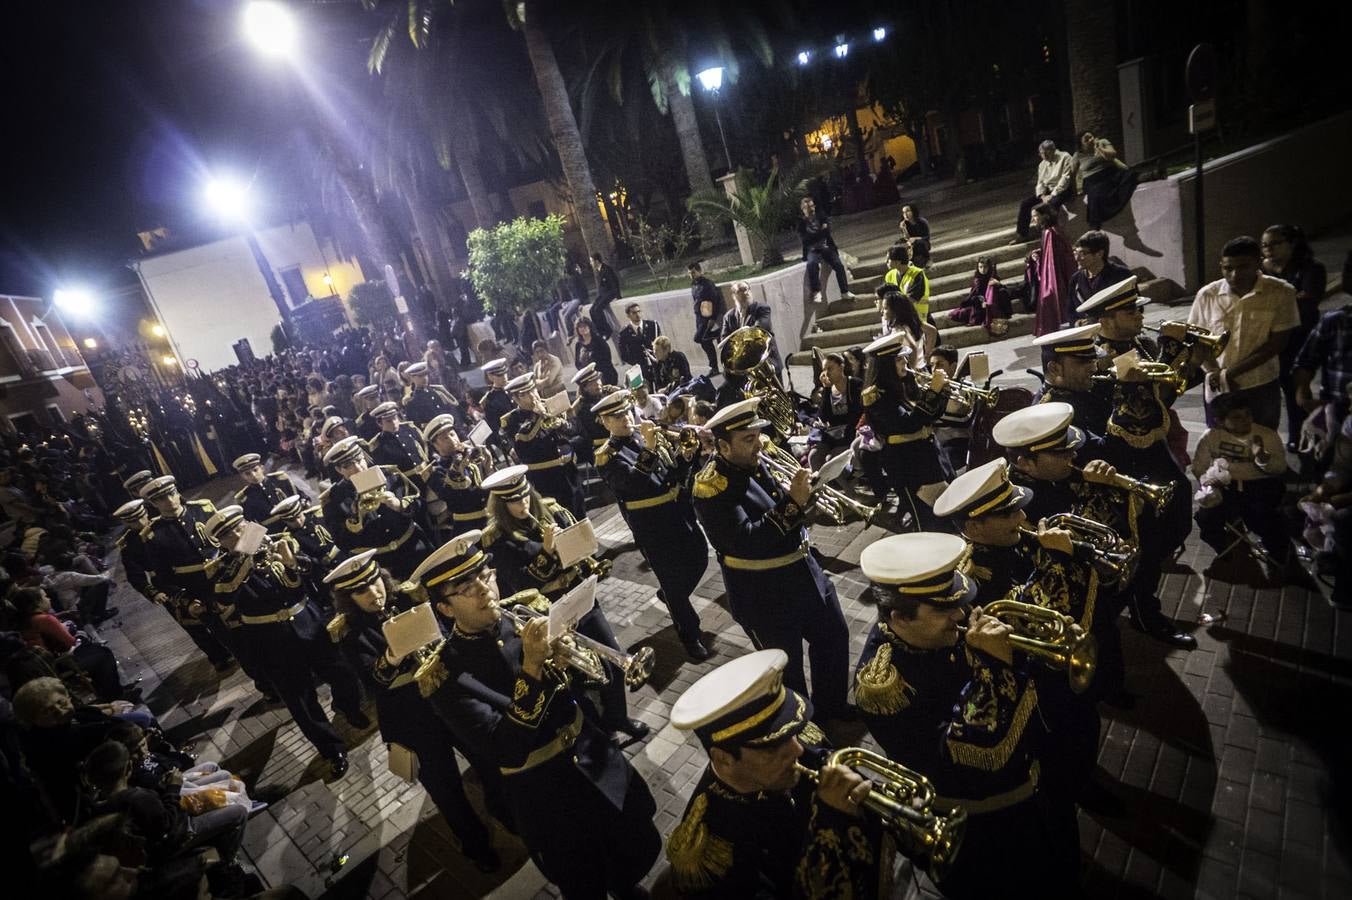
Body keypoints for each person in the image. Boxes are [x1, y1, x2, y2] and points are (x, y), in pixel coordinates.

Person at [412, 532, 661, 899]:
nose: (484, 590)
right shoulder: (445, 677)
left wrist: (573, 658)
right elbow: (505, 749)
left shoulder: (526, 610)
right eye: (466, 587)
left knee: (631, 843)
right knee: (582, 881)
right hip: (544, 795)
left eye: (486, 575)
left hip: (593, 754)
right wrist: (532, 667)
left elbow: (596, 677)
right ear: (445, 609)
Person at [852, 532, 1080, 900]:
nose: (959, 616)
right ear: (899, 618)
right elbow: (957, 756)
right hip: (983, 822)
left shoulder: (940, 631)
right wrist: (995, 667)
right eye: (942, 610)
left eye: (957, 604)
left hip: (1032, 783)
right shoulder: (883, 685)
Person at [323, 551, 500, 870]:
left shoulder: (408, 597)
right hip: (410, 718)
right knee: (446, 788)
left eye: (375, 582)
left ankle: (505, 811)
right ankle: (475, 844)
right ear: (349, 598)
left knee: (487, 757)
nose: (374, 592)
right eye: (362, 591)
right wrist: (392, 655)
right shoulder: (350, 632)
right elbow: (371, 680)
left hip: (448, 698)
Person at [667, 649, 882, 899]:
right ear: (724, 760)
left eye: (791, 735)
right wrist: (829, 825)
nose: (798, 748)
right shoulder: (713, 852)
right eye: (771, 747)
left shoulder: (795, 744)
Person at [692, 398, 853, 723]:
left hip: (806, 576)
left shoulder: (753, 461)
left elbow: (779, 507)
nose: (759, 445)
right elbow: (748, 541)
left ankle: (832, 707)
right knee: (787, 672)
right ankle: (805, 730)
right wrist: (793, 503)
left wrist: (804, 493)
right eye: (748, 439)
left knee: (834, 638)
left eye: (757, 435)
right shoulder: (711, 489)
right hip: (765, 596)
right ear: (723, 445)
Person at [206, 506, 366, 775]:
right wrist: (246, 558)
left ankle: (348, 706)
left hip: (307, 621)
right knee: (301, 700)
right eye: (228, 535)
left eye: (240, 526)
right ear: (219, 542)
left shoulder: (276, 542)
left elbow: (304, 576)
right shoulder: (219, 567)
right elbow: (222, 597)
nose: (237, 534)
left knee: (341, 671)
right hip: (269, 639)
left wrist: (291, 563)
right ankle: (331, 748)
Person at [593, 390, 711, 660]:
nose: (625, 418)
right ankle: (690, 635)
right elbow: (633, 484)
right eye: (617, 416)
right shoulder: (606, 456)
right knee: (672, 582)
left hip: (677, 512)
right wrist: (648, 447)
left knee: (699, 558)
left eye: (626, 411)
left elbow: (672, 474)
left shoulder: (642, 436)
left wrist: (687, 456)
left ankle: (672, 596)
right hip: (651, 526)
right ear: (605, 422)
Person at [1188, 235, 1300, 429]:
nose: (1234, 275)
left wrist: (1231, 373)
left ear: (1258, 263)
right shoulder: (1208, 295)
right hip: (1217, 386)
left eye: (1243, 267)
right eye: (1228, 268)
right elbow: (1197, 339)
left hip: (1259, 384)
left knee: (1262, 440)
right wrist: (1216, 373)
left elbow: (1278, 342)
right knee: (1220, 445)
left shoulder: (1281, 292)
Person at [1192, 394, 1291, 577]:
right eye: (1237, 417)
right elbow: (1199, 466)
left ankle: (1279, 553)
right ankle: (1223, 545)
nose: (1245, 420)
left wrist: (1262, 457)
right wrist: (1207, 479)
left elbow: (1280, 468)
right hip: (1226, 487)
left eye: (1247, 414)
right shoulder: (1211, 436)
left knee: (1263, 518)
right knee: (1205, 517)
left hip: (1260, 485)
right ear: (1220, 421)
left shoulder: (1265, 434)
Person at [860, 331, 950, 531]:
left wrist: (943, 392)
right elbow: (908, 424)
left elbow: (929, 417)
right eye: (899, 359)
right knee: (925, 518)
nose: (905, 364)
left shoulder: (905, 384)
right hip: (907, 463)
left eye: (905, 358)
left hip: (930, 454)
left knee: (947, 508)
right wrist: (933, 392)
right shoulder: (876, 396)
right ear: (885, 365)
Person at [320, 436, 430, 580]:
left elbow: (421, 506)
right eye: (348, 466)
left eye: (359, 460)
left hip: (414, 549)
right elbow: (342, 542)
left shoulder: (389, 473)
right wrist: (356, 518)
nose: (358, 468)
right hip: (380, 565)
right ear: (339, 470)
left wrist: (399, 505)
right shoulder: (334, 498)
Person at [1263, 224, 1329, 448]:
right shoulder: (1262, 270)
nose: (1268, 249)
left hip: (1301, 337)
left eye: (1275, 243)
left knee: (1295, 387)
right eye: (1264, 245)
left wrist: (1276, 304)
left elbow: (1308, 303)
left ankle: (1300, 436)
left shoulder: (1311, 269)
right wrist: (1291, 298)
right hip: (1272, 336)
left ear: (1291, 244)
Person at [500, 372, 586, 519]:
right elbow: (522, 450)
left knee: (580, 510)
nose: (533, 396)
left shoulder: (552, 404)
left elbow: (575, 428)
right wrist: (537, 418)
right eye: (525, 394)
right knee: (560, 517)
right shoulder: (512, 420)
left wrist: (562, 424)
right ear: (514, 398)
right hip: (545, 476)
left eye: (533, 390)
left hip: (569, 469)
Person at [421, 415, 491, 537]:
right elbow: (453, 497)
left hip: (492, 513)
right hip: (469, 525)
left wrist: (487, 464)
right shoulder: (436, 472)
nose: (452, 440)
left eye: (452, 434)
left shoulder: (471, 454)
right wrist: (458, 465)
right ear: (436, 446)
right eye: (445, 438)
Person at [808, 352, 863, 470]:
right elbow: (823, 415)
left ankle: (847, 487)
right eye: (824, 370)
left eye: (830, 368)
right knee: (814, 457)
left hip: (850, 432)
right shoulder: (828, 389)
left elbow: (857, 412)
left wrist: (840, 424)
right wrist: (827, 390)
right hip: (832, 435)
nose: (827, 373)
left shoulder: (854, 384)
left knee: (831, 461)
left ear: (841, 367)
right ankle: (821, 487)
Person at [1013, 140, 1075, 242]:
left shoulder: (1065, 157)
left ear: (1053, 150)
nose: (1044, 155)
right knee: (1025, 204)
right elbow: (1040, 182)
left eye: (1047, 152)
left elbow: (1065, 179)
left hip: (1062, 190)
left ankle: (1051, 236)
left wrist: (1053, 195)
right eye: (1042, 153)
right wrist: (1042, 195)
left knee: (1049, 206)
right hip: (1047, 191)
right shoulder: (1042, 164)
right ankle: (1022, 234)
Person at [797, 196, 855, 304]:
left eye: (812, 206)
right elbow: (805, 239)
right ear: (803, 209)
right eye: (807, 207)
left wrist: (814, 235)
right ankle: (816, 291)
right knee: (811, 264)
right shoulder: (801, 224)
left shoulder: (821, 216)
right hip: (812, 249)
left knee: (838, 265)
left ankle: (844, 291)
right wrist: (819, 232)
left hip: (826, 247)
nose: (811, 209)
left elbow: (826, 232)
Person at [1075, 131, 1138, 230]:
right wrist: (1076, 188)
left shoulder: (1102, 142)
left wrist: (1099, 148)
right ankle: (1094, 225)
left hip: (1109, 173)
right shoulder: (1078, 155)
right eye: (1086, 140)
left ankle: (1154, 174)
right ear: (1081, 144)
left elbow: (1112, 155)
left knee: (1130, 175)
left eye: (1091, 137)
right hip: (1092, 180)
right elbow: (1072, 172)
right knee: (1095, 195)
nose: (1090, 140)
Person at [1031, 203, 1076, 336]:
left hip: (1058, 276)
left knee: (1050, 299)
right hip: (1061, 273)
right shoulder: (1051, 231)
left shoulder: (1051, 232)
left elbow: (1054, 260)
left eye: (1035, 216)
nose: (1033, 220)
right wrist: (1040, 254)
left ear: (1044, 216)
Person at [231, 453, 308, 528]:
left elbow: (301, 496)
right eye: (247, 474)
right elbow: (251, 523)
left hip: (297, 523)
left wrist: (304, 505)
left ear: (262, 468)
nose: (253, 475)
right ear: (243, 477)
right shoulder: (245, 497)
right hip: (276, 533)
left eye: (255, 470)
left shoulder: (280, 479)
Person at [722, 281, 783, 376]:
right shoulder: (728, 317)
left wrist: (737, 339)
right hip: (744, 367)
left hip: (766, 361)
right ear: (734, 295)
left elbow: (759, 329)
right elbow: (724, 341)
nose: (745, 292)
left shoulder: (761, 308)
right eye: (740, 290)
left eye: (746, 289)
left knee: (777, 390)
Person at [948, 256, 1013, 335]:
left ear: (989, 267)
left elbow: (1003, 292)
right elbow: (974, 295)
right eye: (980, 267)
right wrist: (982, 300)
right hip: (980, 305)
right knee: (958, 313)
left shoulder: (993, 277)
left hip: (994, 304)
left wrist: (998, 284)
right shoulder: (977, 279)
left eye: (985, 267)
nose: (982, 269)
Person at [1069, 230, 1134, 310]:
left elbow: (1135, 306)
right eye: (1075, 253)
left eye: (1082, 253)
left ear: (1099, 254)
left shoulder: (1121, 274)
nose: (1077, 258)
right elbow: (1071, 311)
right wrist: (1078, 322)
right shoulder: (1076, 279)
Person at [401, 361, 461, 428]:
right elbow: (416, 426)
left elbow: (451, 410)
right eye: (420, 376)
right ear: (412, 378)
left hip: (451, 427)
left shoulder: (437, 391)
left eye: (425, 375)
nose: (424, 378)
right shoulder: (412, 401)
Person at [690, 261, 725, 375]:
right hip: (699, 318)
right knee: (704, 341)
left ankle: (715, 366)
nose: (692, 275)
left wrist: (713, 318)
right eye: (690, 273)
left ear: (699, 271)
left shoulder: (707, 284)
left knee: (701, 338)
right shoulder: (694, 285)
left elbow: (715, 301)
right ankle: (713, 367)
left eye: (694, 272)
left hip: (708, 318)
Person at [616, 302, 660, 385]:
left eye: (639, 311)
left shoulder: (653, 325)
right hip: (638, 368)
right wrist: (636, 363)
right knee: (640, 391)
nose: (638, 315)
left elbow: (659, 343)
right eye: (634, 313)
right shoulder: (624, 332)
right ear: (628, 315)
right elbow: (623, 354)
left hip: (656, 364)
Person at [478, 358, 514, 454]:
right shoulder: (490, 400)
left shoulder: (514, 387)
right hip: (512, 436)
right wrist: (509, 447)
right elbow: (495, 427)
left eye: (504, 373)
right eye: (499, 375)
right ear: (490, 376)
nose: (504, 377)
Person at [572, 317, 618, 387]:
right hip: (588, 378)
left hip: (606, 376)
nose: (582, 329)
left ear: (589, 327)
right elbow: (577, 363)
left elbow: (607, 359)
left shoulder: (599, 341)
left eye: (584, 326)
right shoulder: (578, 345)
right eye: (580, 327)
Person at [590, 252, 621, 341]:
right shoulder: (599, 271)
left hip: (610, 293)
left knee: (598, 309)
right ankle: (600, 331)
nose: (591, 263)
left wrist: (617, 296)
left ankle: (607, 331)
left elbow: (614, 283)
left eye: (592, 261)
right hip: (603, 295)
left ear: (596, 261)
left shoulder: (607, 269)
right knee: (592, 310)